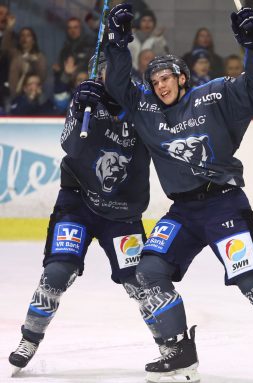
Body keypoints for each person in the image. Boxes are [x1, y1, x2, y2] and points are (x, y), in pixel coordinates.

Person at [104, 3, 253, 382]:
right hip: (183, 213)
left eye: (167, 77)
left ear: (182, 78)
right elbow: (117, 86)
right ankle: (180, 352)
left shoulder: (213, 96)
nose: (160, 85)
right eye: (155, 81)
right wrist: (116, 42)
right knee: (147, 272)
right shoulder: (146, 109)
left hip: (222, 203)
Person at [8, 53, 152, 375]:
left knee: (139, 282)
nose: (109, 80)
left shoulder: (143, 107)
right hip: (77, 204)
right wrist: (79, 105)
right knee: (58, 272)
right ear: (99, 77)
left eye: (117, 74)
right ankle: (30, 339)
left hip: (122, 211)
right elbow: (70, 146)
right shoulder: (86, 100)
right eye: (104, 75)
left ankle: (169, 343)